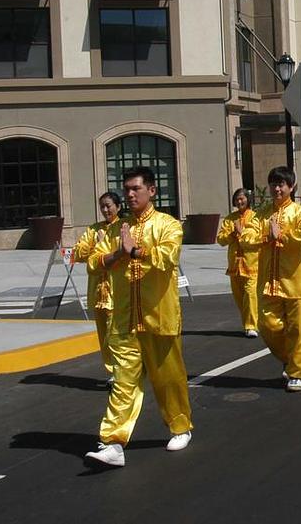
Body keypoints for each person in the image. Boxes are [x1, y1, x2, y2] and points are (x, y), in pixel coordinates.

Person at [84, 167, 192, 468]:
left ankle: (180, 426)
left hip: (159, 316)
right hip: (124, 319)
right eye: (127, 189)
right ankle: (113, 442)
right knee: (123, 381)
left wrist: (136, 251)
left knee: (168, 378)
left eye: (136, 189)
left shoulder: (168, 225)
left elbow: (168, 257)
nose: (130, 194)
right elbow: (94, 262)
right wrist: (120, 253)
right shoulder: (116, 229)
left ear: (152, 191)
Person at [243, 166, 301, 392]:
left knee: (298, 330)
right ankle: (289, 358)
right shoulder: (261, 214)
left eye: (281, 184)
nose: (276, 188)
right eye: (273, 184)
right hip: (269, 282)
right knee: (267, 325)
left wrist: (281, 235)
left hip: (296, 282)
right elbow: (247, 238)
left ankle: (295, 372)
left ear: (291, 187)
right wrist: (267, 236)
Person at [71, 191, 121, 382]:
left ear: (118, 207)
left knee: (114, 332)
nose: (106, 209)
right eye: (102, 206)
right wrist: (96, 245)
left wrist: (103, 249)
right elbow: (79, 252)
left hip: (116, 290)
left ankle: (120, 370)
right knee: (103, 335)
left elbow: (120, 255)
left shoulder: (123, 227)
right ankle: (112, 370)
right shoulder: (93, 230)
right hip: (97, 290)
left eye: (109, 205)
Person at [216, 188, 260, 337]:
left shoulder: (255, 217)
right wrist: (232, 234)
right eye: (237, 199)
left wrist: (242, 233)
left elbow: (257, 239)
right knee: (239, 297)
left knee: (250, 294)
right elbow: (221, 240)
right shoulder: (229, 219)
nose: (240, 201)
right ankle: (249, 322)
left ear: (248, 199)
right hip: (235, 265)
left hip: (251, 263)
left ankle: (251, 325)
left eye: (242, 198)